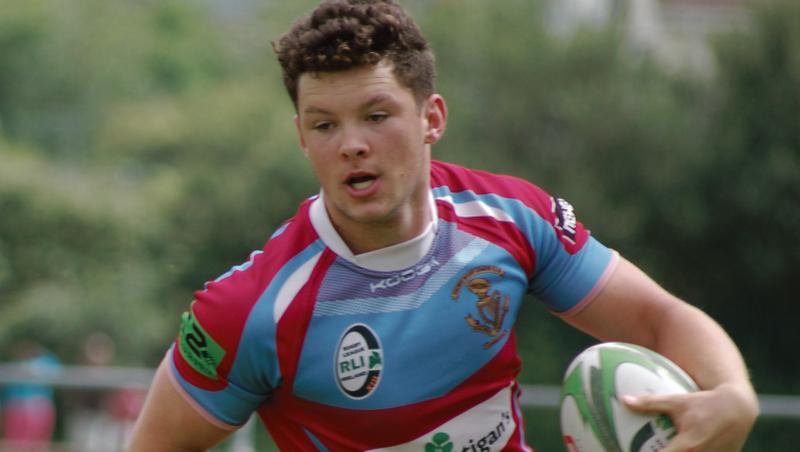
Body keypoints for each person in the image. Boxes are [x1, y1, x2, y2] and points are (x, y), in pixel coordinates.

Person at [129, 1, 758, 450]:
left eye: (377, 115)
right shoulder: (251, 311)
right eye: (324, 125)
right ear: (301, 136)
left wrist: (732, 392)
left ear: (432, 118)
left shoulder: (512, 219)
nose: (351, 144)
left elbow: (659, 320)